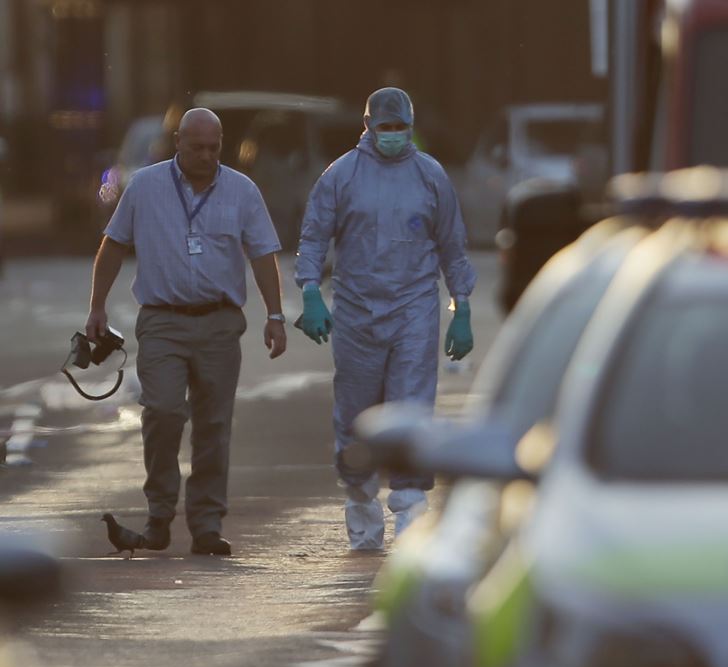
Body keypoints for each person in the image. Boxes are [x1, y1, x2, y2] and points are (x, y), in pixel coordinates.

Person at [86, 107, 287, 556]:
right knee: (162, 411)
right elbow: (114, 244)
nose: (206, 155)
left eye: (214, 148)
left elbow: (262, 255)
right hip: (162, 320)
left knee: (214, 424)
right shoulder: (144, 186)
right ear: (178, 143)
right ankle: (159, 515)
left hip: (219, 322)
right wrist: (97, 306)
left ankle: (207, 524)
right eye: (196, 147)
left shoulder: (241, 190)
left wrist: (275, 316)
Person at [295, 87, 476, 550]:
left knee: (412, 409)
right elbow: (314, 235)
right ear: (369, 125)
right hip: (356, 310)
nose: (393, 136)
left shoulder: (430, 176)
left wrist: (462, 306)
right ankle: (360, 506)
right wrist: (311, 291)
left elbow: (452, 244)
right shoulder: (341, 176)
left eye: (400, 128)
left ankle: (412, 518)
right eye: (385, 128)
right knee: (356, 414)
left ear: (411, 127)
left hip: (414, 306)